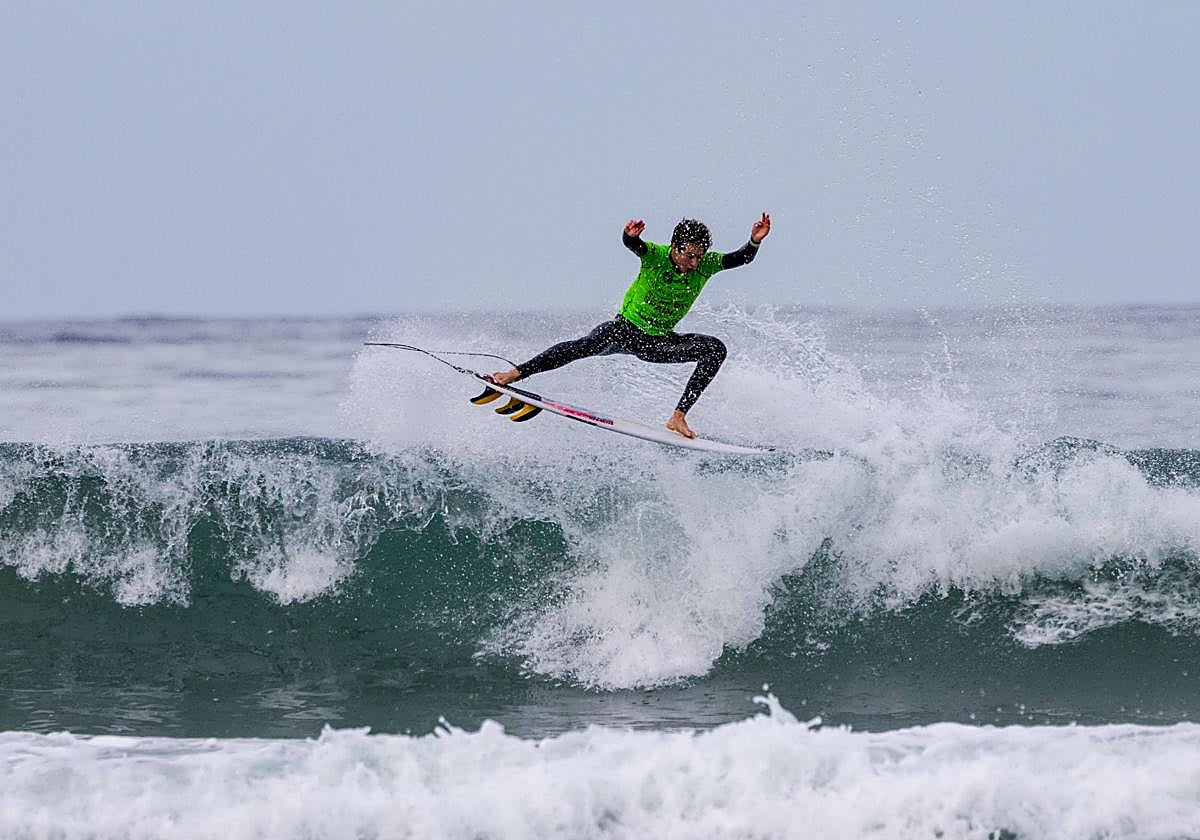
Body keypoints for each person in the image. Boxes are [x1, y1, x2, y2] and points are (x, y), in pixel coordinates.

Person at [491, 213, 771, 438]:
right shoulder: (657, 256)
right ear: (675, 248)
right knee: (583, 346)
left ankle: (678, 417)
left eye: (699, 256)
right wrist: (630, 235)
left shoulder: (705, 265)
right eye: (689, 256)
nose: (694, 263)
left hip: (657, 343)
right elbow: (635, 246)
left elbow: (741, 258)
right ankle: (514, 374)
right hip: (625, 331)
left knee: (714, 349)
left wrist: (754, 241)